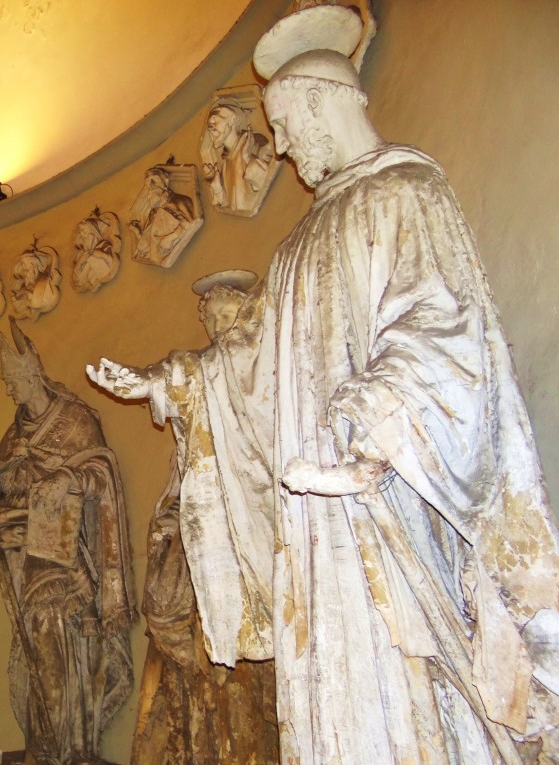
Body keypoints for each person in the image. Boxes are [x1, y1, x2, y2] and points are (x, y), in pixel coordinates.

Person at [93, 7, 559, 761]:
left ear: (322, 99)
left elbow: (441, 329)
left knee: (406, 697)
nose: (278, 147)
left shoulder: (404, 191)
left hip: (387, 507)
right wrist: (172, 382)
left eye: (282, 124)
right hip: (316, 532)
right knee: (334, 699)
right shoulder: (296, 247)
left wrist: (363, 415)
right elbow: (249, 366)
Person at [100, 270, 278, 764]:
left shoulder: (266, 371)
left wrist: (153, 379)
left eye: (227, 317)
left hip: (260, 526)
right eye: (211, 320)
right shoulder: (214, 381)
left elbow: (199, 372)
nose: (218, 332)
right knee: (168, 607)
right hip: (205, 528)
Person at [0, 319, 136, 765]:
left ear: (33, 376)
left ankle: (73, 749)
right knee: (37, 652)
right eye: (5, 381)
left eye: (12, 380)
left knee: (61, 648)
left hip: (63, 558)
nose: (7, 390)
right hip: (22, 556)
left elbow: (101, 473)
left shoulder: (76, 420)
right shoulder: (15, 433)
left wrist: (70, 477)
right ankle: (45, 750)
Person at [199, 99, 274, 215]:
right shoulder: (226, 162)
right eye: (209, 126)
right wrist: (217, 187)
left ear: (233, 120)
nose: (210, 128)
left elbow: (266, 181)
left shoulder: (258, 144)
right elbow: (232, 204)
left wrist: (247, 157)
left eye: (215, 121)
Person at [129, 166, 201, 268]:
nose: (151, 186)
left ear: (165, 182)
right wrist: (138, 233)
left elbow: (189, 224)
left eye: (154, 181)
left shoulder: (179, 201)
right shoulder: (154, 213)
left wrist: (170, 238)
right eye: (148, 184)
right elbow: (149, 245)